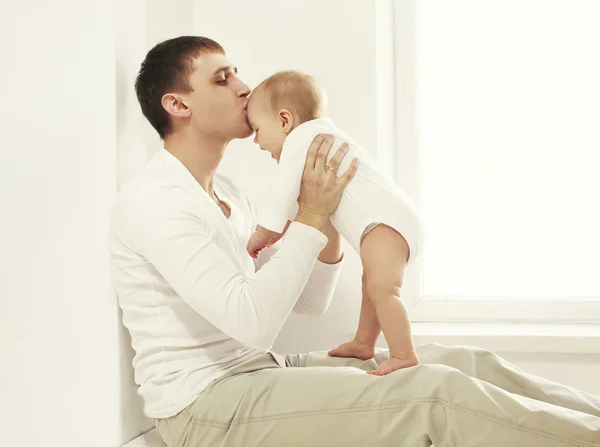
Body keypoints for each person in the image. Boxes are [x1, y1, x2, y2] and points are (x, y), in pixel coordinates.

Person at [109, 36, 600, 447]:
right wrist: (310, 214)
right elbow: (252, 321)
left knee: (458, 361)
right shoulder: (155, 201)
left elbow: (310, 300)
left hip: (258, 369)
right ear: (177, 104)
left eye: (238, 73)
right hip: (206, 407)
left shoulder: (229, 195)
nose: (244, 88)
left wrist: (325, 219)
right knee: (433, 394)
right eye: (222, 79)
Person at [245, 69, 423, 375]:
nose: (256, 141)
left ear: (285, 121)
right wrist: (283, 228)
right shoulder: (322, 138)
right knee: (371, 284)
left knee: (383, 290)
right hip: (391, 221)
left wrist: (263, 233)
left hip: (386, 224)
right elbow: (298, 202)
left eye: (258, 129)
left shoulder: (302, 141)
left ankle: (403, 354)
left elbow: (282, 194)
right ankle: (364, 342)